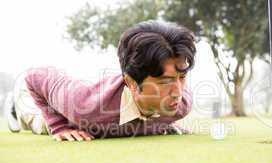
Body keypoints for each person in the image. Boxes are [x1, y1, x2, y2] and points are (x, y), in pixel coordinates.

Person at [5, 20, 196, 142]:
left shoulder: (182, 103)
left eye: (182, 77)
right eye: (164, 82)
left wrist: (161, 124)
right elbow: (34, 77)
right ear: (130, 83)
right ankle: (16, 108)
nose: (177, 92)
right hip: (70, 116)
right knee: (41, 126)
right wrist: (58, 126)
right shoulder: (82, 103)